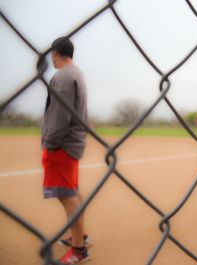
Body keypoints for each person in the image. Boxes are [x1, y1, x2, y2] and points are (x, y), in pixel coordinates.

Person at [41, 37, 91, 264]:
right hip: (72, 141)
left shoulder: (62, 76)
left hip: (62, 144)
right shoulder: (76, 72)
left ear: (55, 53)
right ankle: (79, 237)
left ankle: (79, 249)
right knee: (72, 191)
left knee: (67, 195)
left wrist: (50, 141)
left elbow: (61, 114)